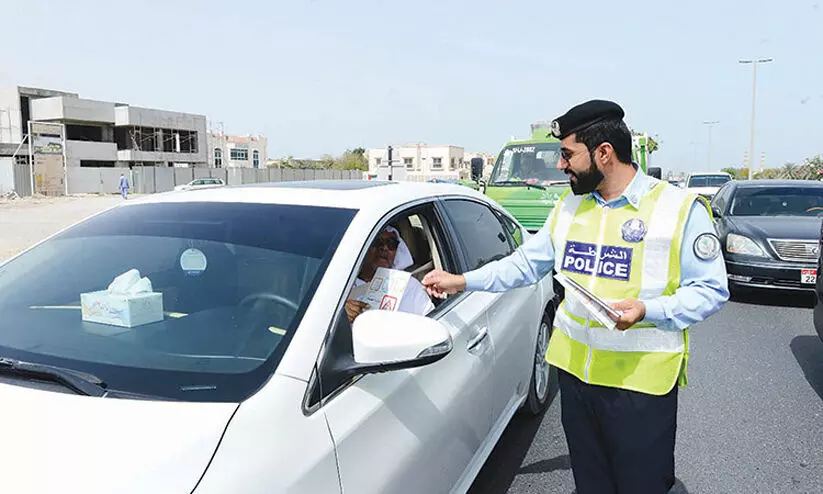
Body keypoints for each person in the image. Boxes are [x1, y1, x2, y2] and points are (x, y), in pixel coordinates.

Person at [422, 100, 729, 494]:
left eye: (567, 155)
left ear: (604, 153)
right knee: (592, 485)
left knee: (641, 486)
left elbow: (711, 289)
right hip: (576, 377)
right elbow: (524, 265)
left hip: (640, 385)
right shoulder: (569, 207)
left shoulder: (677, 208)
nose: (562, 166)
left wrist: (649, 310)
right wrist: (461, 280)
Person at [345, 225, 435, 323]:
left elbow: (432, 324)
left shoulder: (410, 287)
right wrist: (342, 315)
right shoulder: (341, 288)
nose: (384, 248)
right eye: (377, 242)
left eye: (391, 243)